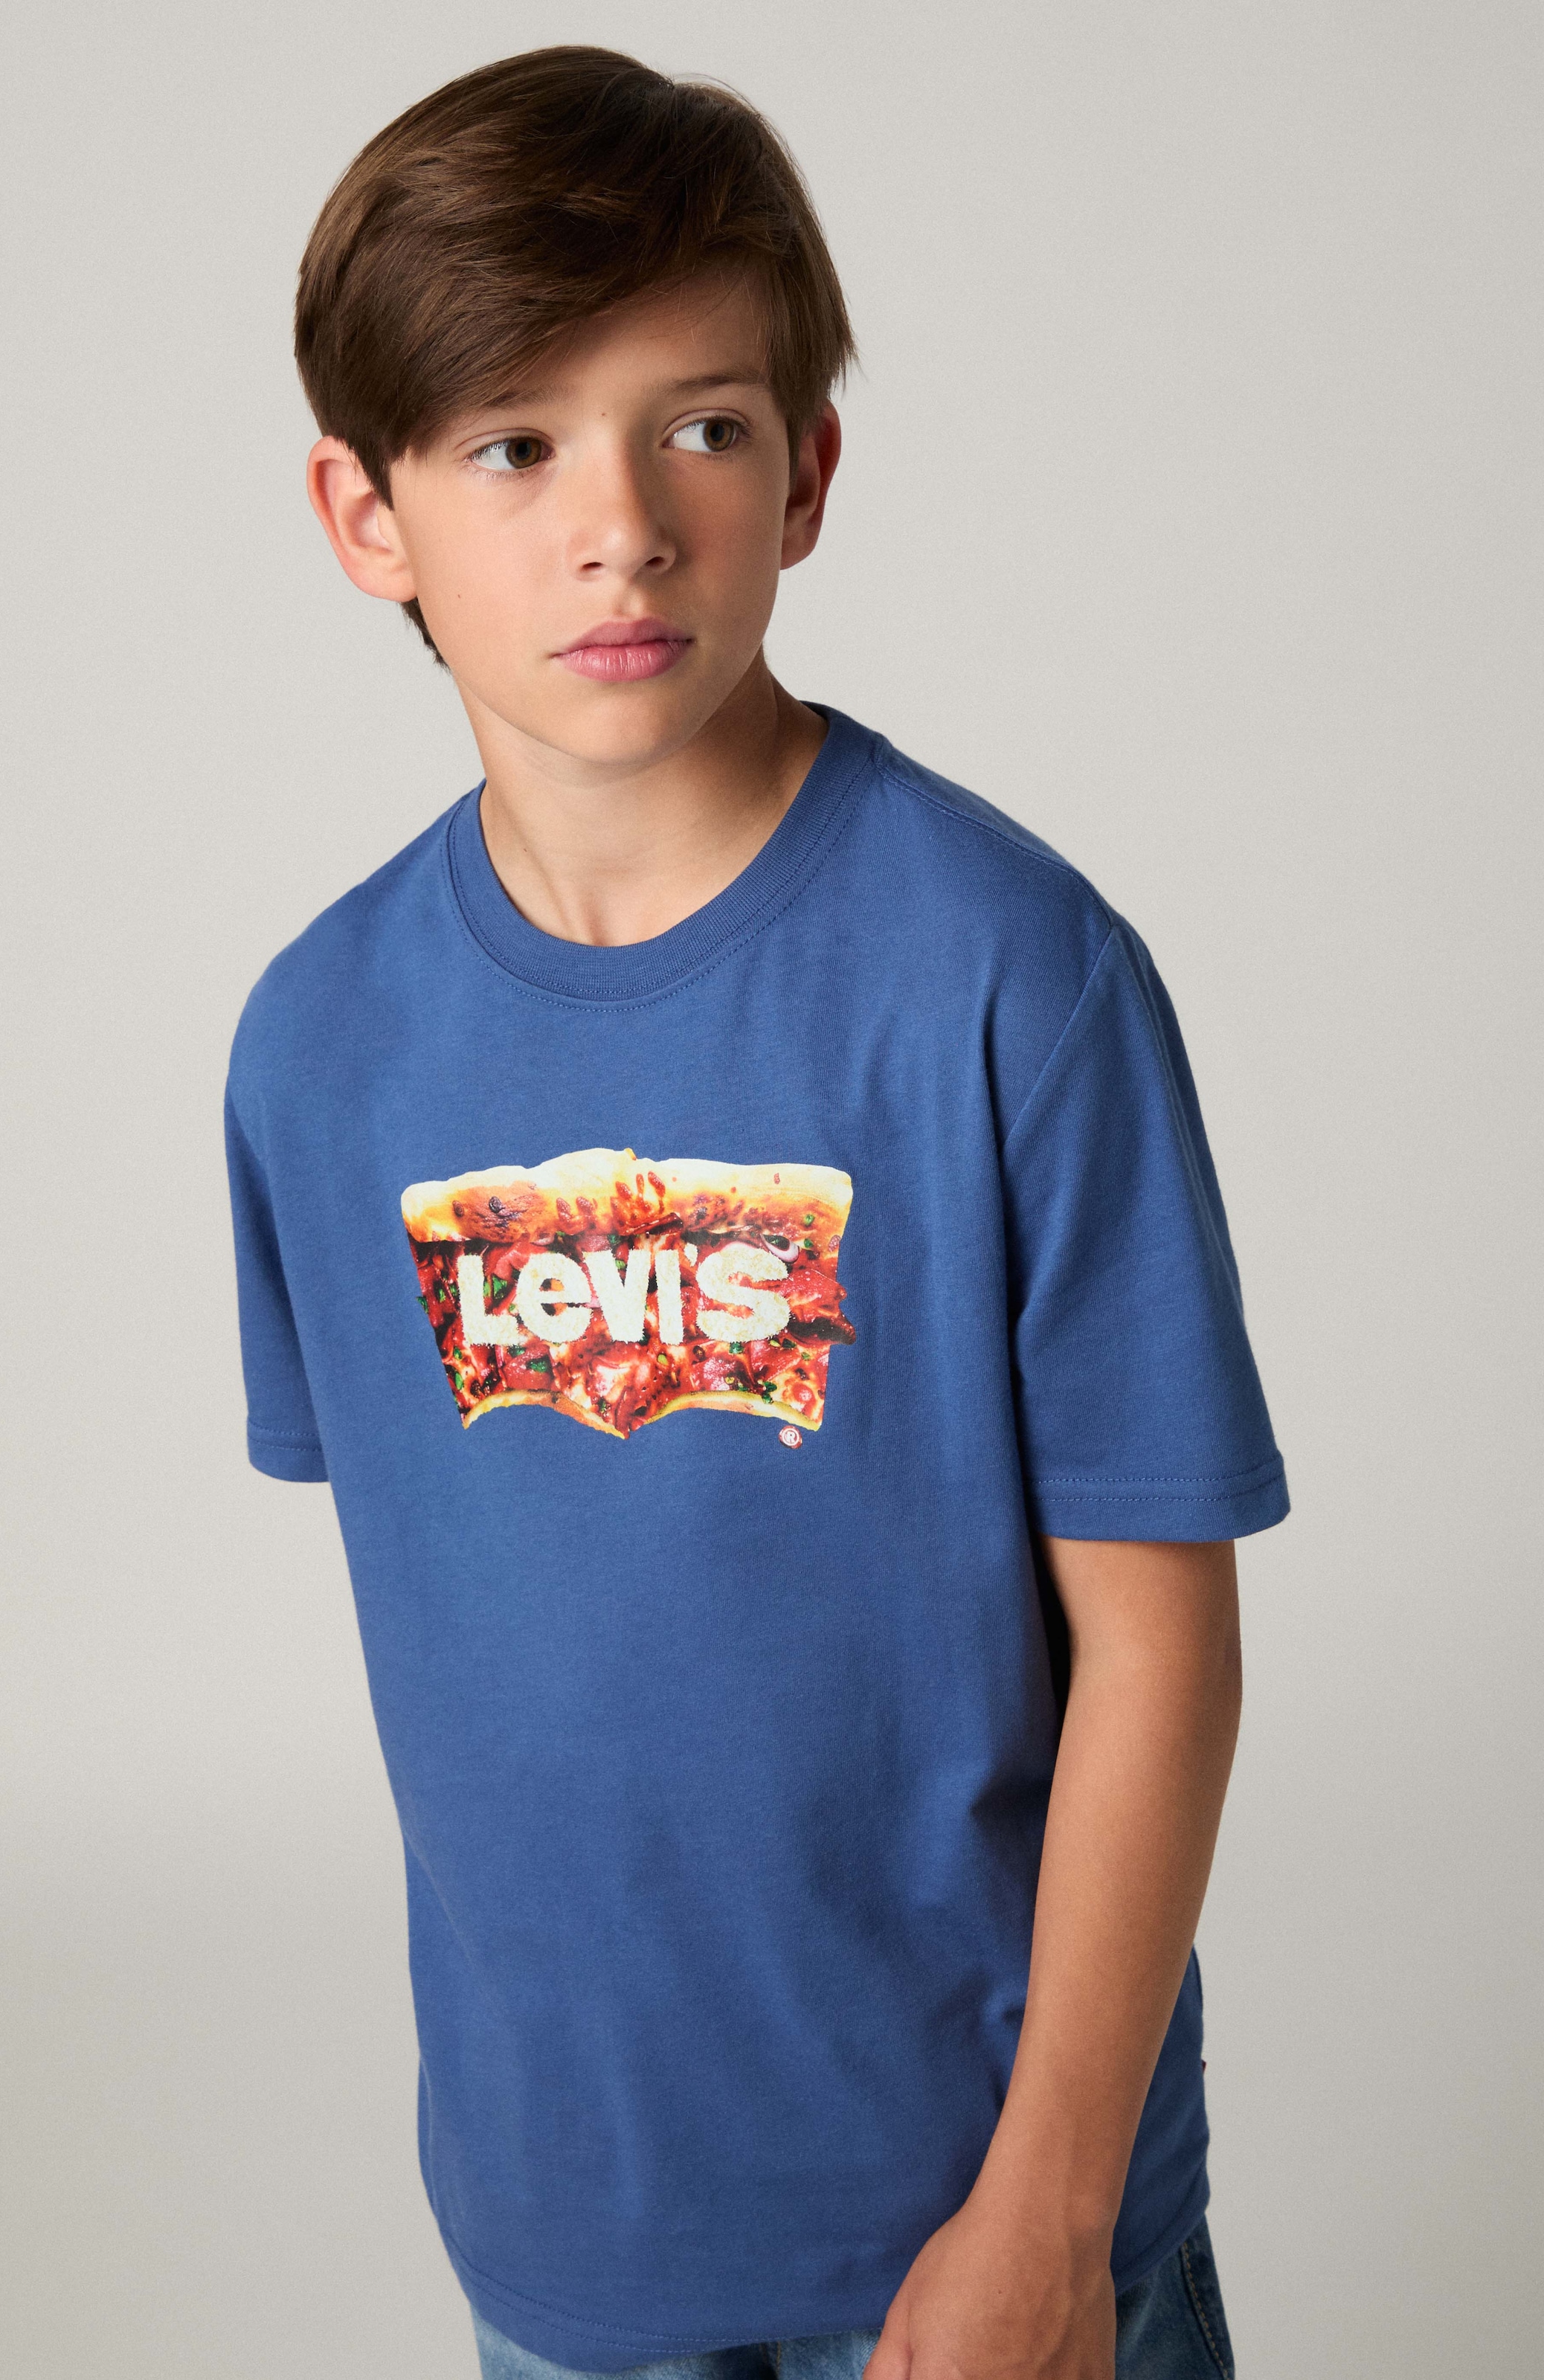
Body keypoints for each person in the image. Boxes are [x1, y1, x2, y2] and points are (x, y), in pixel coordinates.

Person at [225, 45, 1284, 2380]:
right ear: (365, 515)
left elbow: (1162, 1650)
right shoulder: (319, 1047)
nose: (619, 525)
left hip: (989, 2231)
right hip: (570, 2249)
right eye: (513, 445)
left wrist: (1049, 2215)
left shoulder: (1009, 977)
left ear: (804, 472)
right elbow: (513, 1655)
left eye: (696, 426)